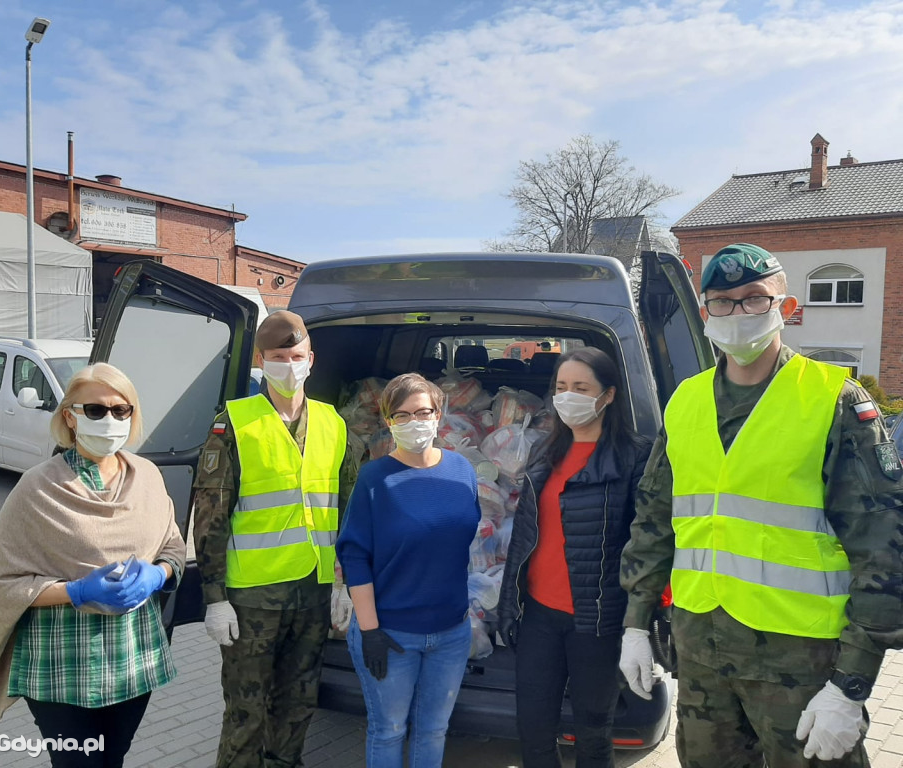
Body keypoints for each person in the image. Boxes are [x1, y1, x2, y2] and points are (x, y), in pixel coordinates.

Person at [619, 243, 903, 767]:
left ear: (786, 308)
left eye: (754, 299)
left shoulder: (833, 401)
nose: (738, 313)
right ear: (706, 315)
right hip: (703, 654)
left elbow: (884, 551)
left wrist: (852, 685)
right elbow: (656, 517)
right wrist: (636, 622)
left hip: (804, 663)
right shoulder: (685, 400)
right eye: (723, 302)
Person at [0, 363, 185, 768]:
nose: (109, 419)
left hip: (132, 655)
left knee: (112, 758)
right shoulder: (38, 487)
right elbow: (2, 580)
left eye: (120, 410)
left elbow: (173, 548)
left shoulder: (146, 476)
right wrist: (76, 591)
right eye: (94, 410)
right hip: (61, 661)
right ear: (70, 417)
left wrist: (157, 575)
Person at [192, 310, 356, 768]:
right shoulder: (235, 423)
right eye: (279, 357)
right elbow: (210, 516)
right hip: (252, 599)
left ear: (312, 360)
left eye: (296, 355)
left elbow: (349, 510)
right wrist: (214, 596)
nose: (289, 365)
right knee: (246, 712)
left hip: (313, 590)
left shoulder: (333, 423)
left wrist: (344, 580)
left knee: (298, 706)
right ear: (261, 361)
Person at [497, 348, 651, 768]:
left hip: (596, 622)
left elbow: (646, 546)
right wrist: (509, 606)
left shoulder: (636, 458)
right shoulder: (546, 454)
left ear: (608, 395)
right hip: (539, 618)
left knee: (593, 728)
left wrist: (641, 625)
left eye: (581, 388)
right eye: (562, 387)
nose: (568, 397)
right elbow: (524, 540)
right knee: (533, 726)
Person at [336, 373, 481, 768]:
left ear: (438, 415)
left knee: (434, 730)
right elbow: (354, 556)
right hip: (391, 633)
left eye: (423, 412)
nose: (414, 422)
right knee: (389, 731)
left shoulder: (461, 471)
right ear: (387, 421)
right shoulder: (374, 479)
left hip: (451, 633)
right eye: (401, 415)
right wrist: (369, 632)